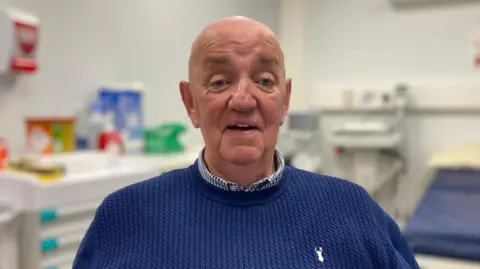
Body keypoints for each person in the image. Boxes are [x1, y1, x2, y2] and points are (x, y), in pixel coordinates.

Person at [73, 16, 420, 269]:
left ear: (284, 102)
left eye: (264, 80)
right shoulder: (125, 218)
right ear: (190, 102)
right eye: (220, 81)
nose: (243, 99)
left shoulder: (352, 210)